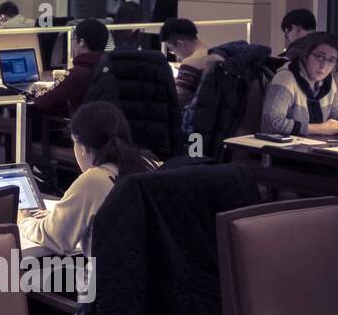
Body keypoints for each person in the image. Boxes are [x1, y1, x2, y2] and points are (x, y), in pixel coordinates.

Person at [19, 101, 156, 256]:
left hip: (104, 278)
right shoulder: (151, 165)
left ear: (83, 148)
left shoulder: (93, 181)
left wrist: (24, 221)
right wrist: (60, 216)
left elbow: (55, 237)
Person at [261, 32, 338, 137]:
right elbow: (270, 123)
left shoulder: (327, 80)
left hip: (314, 145)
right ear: (305, 55)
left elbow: (335, 111)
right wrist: (320, 129)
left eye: (331, 60)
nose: (324, 65)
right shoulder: (286, 79)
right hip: (284, 150)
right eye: (319, 57)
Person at [32, 18, 109, 118]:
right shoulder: (108, 66)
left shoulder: (77, 73)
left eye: (73, 39)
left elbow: (43, 101)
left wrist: (38, 91)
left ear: (82, 42)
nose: (72, 44)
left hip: (82, 128)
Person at [160, 18, 211, 108]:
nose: (177, 56)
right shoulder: (214, 52)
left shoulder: (190, 63)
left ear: (180, 43)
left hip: (197, 117)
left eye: (172, 50)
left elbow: (176, 101)